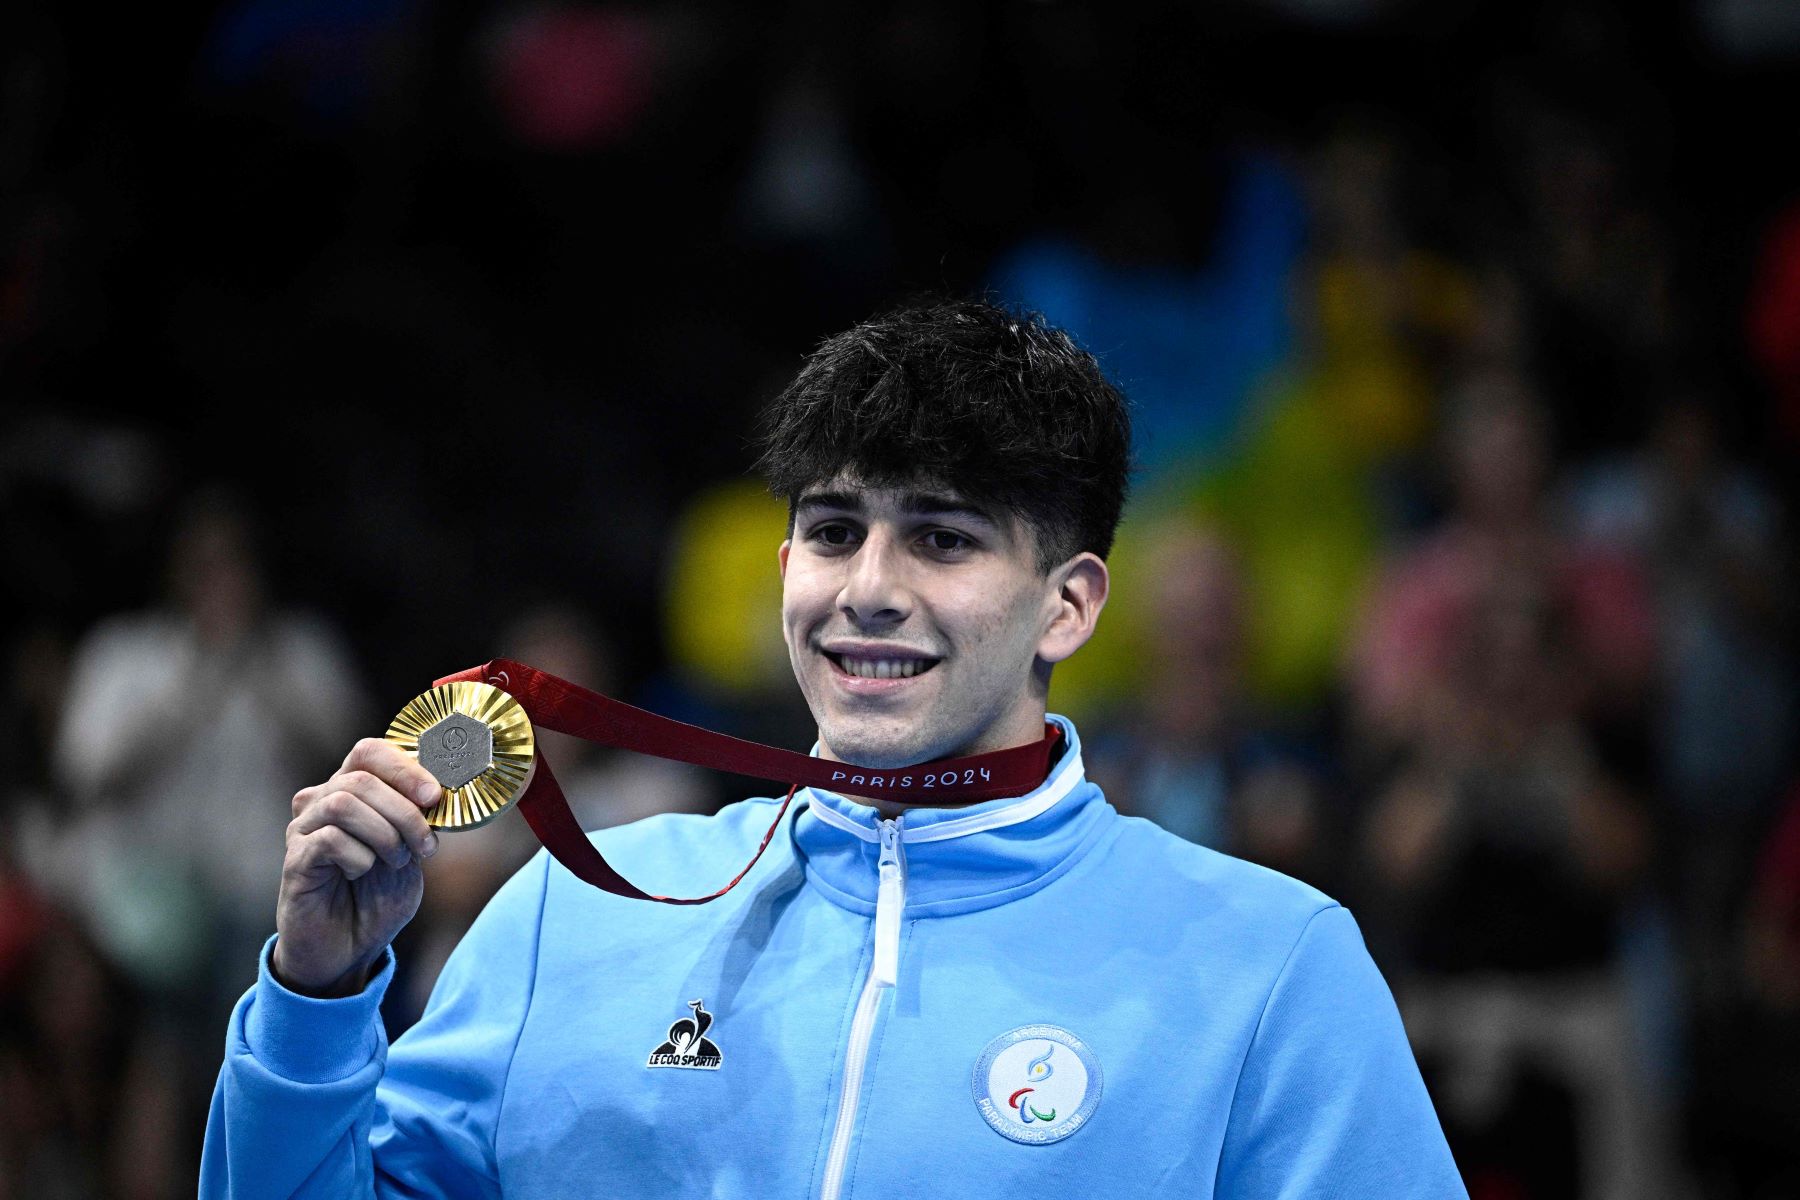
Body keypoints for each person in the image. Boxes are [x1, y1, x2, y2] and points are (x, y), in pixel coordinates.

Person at [200, 298, 1464, 1197]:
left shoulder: (1267, 969)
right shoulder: (565, 917)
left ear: (1069, 604)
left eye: (944, 538)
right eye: (832, 529)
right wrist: (314, 1001)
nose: (868, 587)